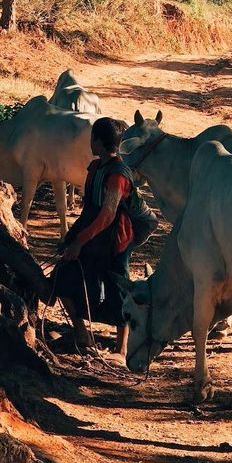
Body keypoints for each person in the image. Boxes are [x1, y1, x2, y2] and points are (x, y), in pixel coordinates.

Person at [51, 117, 146, 357]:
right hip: (93, 237)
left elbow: (107, 215)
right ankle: (81, 332)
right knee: (62, 276)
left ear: (100, 143)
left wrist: (79, 243)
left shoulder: (118, 175)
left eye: (93, 137)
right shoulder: (95, 169)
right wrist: (70, 239)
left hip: (116, 240)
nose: (90, 142)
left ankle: (122, 347)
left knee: (118, 289)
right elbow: (89, 210)